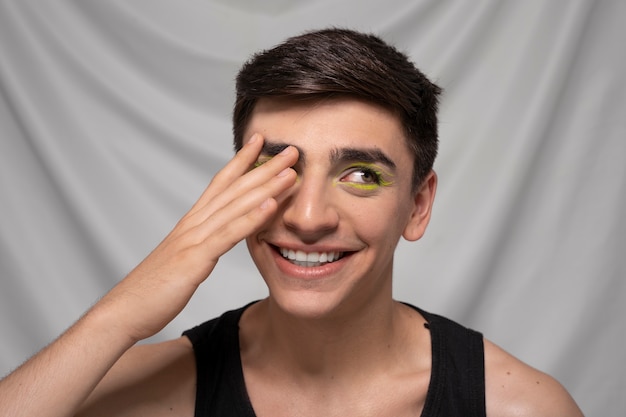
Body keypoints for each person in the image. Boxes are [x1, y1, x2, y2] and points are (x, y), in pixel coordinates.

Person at [0, 28, 583, 417]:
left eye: (361, 175)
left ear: (418, 205)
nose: (308, 218)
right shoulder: (152, 392)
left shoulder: (519, 406)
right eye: (279, 169)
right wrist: (124, 310)